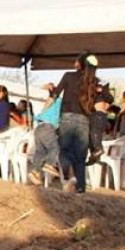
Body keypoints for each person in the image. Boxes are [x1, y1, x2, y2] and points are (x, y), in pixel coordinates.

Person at [51, 53, 99, 194]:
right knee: (80, 157)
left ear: (79, 64)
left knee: (64, 151)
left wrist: (50, 91)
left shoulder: (68, 76)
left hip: (67, 117)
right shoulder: (93, 81)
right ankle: (80, 189)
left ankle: (70, 176)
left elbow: (55, 94)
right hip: (84, 120)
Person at [27, 84, 63, 185]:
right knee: (55, 148)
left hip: (39, 127)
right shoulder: (58, 100)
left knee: (40, 151)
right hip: (48, 126)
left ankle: (35, 171)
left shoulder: (49, 101)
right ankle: (49, 164)